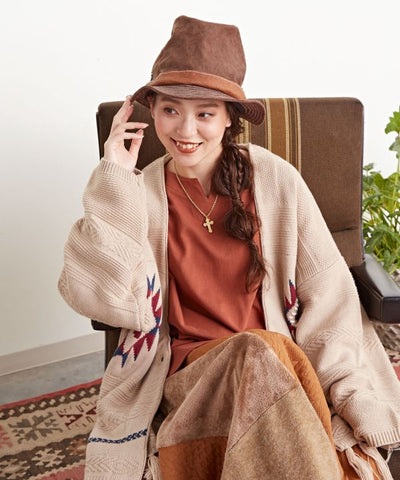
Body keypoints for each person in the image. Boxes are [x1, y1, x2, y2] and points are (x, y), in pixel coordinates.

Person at [58, 15, 400, 480]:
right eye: (171, 109)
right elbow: (96, 295)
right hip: (192, 377)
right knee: (256, 351)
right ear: (151, 110)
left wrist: (348, 389)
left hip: (281, 365)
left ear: (228, 119)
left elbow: (330, 291)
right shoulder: (136, 196)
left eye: (205, 114)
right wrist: (115, 175)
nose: (186, 130)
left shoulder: (275, 180)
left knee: (265, 351)